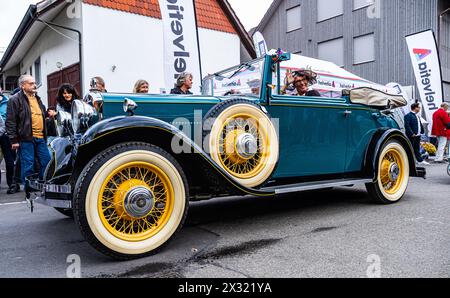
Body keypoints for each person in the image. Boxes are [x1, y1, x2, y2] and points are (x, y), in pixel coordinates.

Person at [6, 75, 51, 183]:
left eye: (34, 83)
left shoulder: (37, 99)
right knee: (28, 165)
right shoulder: (15, 99)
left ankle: (43, 185)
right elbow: (10, 121)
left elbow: (41, 114)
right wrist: (13, 140)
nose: (34, 85)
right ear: (22, 86)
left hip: (41, 137)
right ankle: (29, 191)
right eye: (31, 83)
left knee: (47, 161)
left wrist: (49, 114)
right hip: (26, 138)